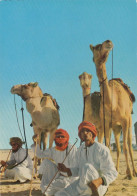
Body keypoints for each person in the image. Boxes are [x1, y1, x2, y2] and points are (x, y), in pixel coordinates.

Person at [56, 121, 118, 196]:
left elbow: (113, 173)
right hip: (81, 183)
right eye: (82, 131)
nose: (85, 133)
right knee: (60, 194)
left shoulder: (102, 149)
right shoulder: (80, 150)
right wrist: (67, 170)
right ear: (80, 135)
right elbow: (78, 170)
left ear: (92, 133)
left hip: (97, 187)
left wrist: (99, 181)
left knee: (87, 167)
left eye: (87, 130)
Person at [31, 129, 77, 196]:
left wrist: (65, 169)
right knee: (46, 162)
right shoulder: (54, 149)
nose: (60, 138)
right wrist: (35, 142)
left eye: (62, 136)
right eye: (58, 136)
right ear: (55, 138)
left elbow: (74, 166)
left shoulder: (71, 148)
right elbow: (39, 154)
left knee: (47, 189)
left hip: (70, 178)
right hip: (59, 174)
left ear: (66, 138)